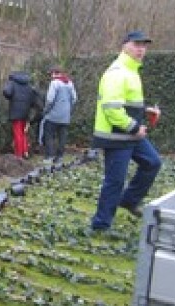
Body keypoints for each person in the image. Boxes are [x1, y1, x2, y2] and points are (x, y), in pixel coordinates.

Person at [89, 30, 163, 232]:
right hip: (116, 136)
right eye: (137, 45)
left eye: (144, 46)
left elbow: (125, 102)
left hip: (130, 134)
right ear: (125, 46)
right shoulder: (117, 72)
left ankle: (129, 200)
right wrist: (135, 127)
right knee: (114, 181)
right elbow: (112, 109)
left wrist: (145, 110)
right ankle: (100, 225)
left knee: (153, 162)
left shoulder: (131, 71)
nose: (141, 49)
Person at [40, 65, 78, 164]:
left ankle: (49, 156)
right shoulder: (69, 83)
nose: (51, 76)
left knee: (49, 135)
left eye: (51, 74)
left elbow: (50, 99)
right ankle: (60, 157)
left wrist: (46, 110)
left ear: (54, 73)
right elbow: (74, 99)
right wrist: (67, 108)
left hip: (53, 115)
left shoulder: (54, 83)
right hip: (65, 116)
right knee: (62, 137)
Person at [2, 71, 41, 159]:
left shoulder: (12, 83)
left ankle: (18, 155)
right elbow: (34, 99)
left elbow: (7, 92)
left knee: (17, 133)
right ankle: (25, 152)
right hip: (26, 113)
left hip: (16, 112)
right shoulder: (28, 85)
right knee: (24, 133)